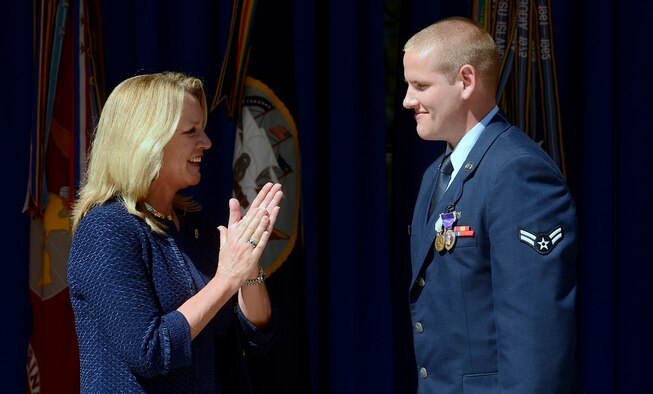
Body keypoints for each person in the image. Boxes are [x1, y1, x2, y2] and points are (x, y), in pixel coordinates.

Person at [67, 71, 284, 393]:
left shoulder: (195, 227)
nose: (206, 142)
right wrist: (226, 279)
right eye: (190, 131)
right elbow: (149, 351)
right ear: (145, 140)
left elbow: (251, 339)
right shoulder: (106, 229)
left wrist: (248, 268)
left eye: (203, 129)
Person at [402, 17, 578, 393]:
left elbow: (536, 337)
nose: (407, 100)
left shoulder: (518, 173)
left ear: (466, 81)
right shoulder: (435, 174)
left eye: (420, 86)